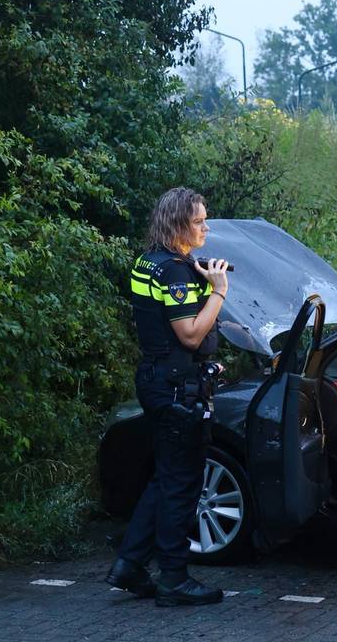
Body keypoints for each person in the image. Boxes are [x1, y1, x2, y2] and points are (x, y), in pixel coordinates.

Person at [106, 187, 228, 606]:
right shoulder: (174, 272)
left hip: (158, 379)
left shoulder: (150, 262)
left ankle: (129, 565)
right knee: (182, 484)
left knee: (166, 478)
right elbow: (191, 334)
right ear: (178, 223)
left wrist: (200, 274)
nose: (205, 227)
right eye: (198, 221)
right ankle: (173, 579)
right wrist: (218, 291)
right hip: (177, 386)